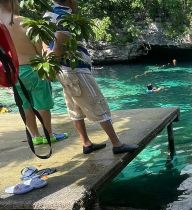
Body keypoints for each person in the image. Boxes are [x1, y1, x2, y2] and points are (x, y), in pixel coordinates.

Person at [45, 0, 137, 154]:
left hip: (65, 70)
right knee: (97, 104)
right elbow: (59, 44)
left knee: (75, 107)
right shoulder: (63, 16)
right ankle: (116, 144)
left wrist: (51, 67)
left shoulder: (48, 15)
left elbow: (45, 43)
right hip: (76, 70)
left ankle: (86, 143)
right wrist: (50, 68)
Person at [0, 0, 67, 145]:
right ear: (12, 2)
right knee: (42, 104)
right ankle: (48, 135)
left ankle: (35, 136)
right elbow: (39, 49)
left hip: (14, 72)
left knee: (25, 105)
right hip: (34, 69)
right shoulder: (25, 22)